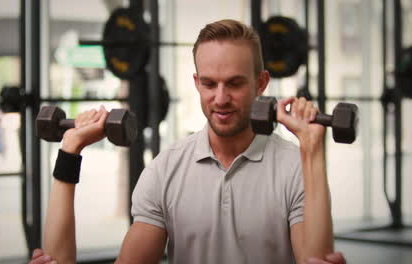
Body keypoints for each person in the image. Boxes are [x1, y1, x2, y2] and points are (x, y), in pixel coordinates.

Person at [30, 19, 347, 264]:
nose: (220, 99)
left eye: (234, 84)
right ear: (196, 83)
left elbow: (315, 260)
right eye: (209, 84)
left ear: (261, 83)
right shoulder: (166, 169)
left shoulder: (295, 166)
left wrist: (312, 149)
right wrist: (70, 149)